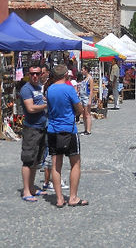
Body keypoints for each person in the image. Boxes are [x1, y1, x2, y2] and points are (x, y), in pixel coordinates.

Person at [46, 64, 87, 207]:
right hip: (69, 129)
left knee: (56, 165)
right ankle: (73, 197)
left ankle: (59, 198)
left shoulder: (49, 90)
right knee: (75, 163)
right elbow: (79, 109)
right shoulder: (69, 89)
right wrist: (75, 113)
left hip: (53, 129)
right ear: (66, 75)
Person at [20, 62, 48, 202]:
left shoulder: (37, 87)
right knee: (28, 160)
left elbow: (40, 100)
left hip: (41, 127)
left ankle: (31, 187)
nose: (35, 76)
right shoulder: (26, 89)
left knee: (36, 160)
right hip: (31, 128)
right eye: (32, 74)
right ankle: (26, 191)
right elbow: (30, 108)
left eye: (38, 73)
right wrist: (46, 105)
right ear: (28, 75)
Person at [78, 66, 94, 135]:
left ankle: (88, 130)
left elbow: (91, 90)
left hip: (86, 98)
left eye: (82, 70)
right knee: (84, 114)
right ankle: (85, 129)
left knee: (87, 114)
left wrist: (90, 100)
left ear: (86, 70)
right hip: (82, 97)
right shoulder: (85, 78)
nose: (81, 71)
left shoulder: (90, 78)